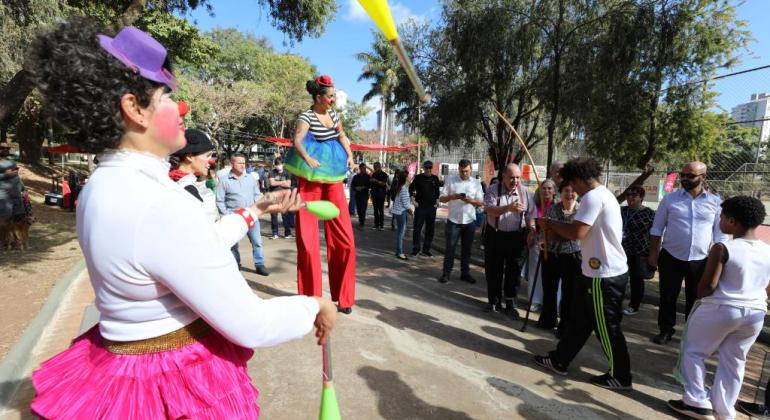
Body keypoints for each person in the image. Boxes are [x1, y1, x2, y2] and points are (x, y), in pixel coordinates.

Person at [27, 20, 337, 418]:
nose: (179, 108)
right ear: (134, 109)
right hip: (168, 384)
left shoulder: (103, 187)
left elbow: (189, 248)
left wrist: (255, 209)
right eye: (166, 95)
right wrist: (315, 307)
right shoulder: (156, 203)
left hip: (119, 368)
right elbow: (251, 323)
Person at [668, 196, 770, 420]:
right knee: (734, 360)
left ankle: (696, 401)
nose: (720, 221)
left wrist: (699, 291)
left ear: (732, 221)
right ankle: (725, 411)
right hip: (755, 313)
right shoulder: (767, 250)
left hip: (721, 308)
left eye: (722, 217)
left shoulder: (723, 247)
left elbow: (708, 287)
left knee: (694, 351)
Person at [534, 158, 632, 390]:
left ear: (577, 180)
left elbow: (576, 232)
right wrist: (550, 229)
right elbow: (578, 232)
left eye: (571, 184)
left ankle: (620, 375)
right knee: (578, 322)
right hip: (593, 272)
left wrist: (549, 223)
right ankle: (559, 359)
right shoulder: (602, 194)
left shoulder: (592, 198)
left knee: (607, 328)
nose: (571, 190)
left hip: (604, 276)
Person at [284, 75, 357, 314]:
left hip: (334, 173)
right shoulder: (306, 116)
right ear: (318, 97)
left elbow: (342, 135)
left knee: (345, 239)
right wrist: (306, 157)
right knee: (308, 241)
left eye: (334, 96)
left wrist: (350, 155)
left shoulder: (334, 115)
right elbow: (297, 140)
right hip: (311, 175)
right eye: (330, 96)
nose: (333, 100)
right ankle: (310, 298)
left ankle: (344, 297)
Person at [648, 161, 726, 345]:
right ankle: (666, 330)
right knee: (667, 296)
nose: (684, 179)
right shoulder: (670, 200)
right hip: (671, 256)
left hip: (700, 260)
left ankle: (692, 334)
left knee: (696, 298)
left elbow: (720, 235)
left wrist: (718, 261)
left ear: (703, 177)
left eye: (690, 176)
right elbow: (657, 228)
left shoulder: (715, 202)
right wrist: (653, 253)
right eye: (683, 175)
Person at [483, 163, 536, 319]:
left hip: (517, 237)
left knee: (514, 271)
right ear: (504, 176)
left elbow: (531, 215)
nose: (515, 181)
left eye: (518, 177)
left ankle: (511, 302)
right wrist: (508, 208)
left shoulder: (526, 193)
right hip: (495, 235)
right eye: (512, 177)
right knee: (494, 269)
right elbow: (489, 209)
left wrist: (532, 229)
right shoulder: (493, 190)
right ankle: (494, 300)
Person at [537, 182, 581, 336]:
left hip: (573, 256)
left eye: (572, 191)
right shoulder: (553, 209)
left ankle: (565, 326)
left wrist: (556, 230)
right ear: (560, 193)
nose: (570, 194)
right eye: (566, 191)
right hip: (552, 253)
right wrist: (543, 238)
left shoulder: (582, 211)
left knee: (569, 293)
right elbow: (545, 231)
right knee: (549, 289)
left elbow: (575, 235)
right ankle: (548, 320)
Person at [217, 153, 270, 276]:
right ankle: (236, 264)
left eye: (244, 163)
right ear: (232, 164)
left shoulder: (250, 178)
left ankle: (259, 264)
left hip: (251, 216)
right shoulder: (224, 181)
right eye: (240, 163)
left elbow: (257, 195)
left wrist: (260, 208)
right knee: (233, 245)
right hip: (233, 218)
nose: (243, 165)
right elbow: (220, 200)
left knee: (257, 242)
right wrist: (226, 215)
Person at [438, 159, 484, 284]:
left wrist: (470, 201)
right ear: (458, 169)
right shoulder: (451, 180)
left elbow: (481, 202)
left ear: (471, 170)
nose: (464, 173)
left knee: (467, 249)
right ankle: (446, 273)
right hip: (454, 220)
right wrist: (453, 196)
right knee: (450, 248)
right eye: (462, 171)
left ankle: (465, 273)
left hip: (469, 221)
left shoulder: (476, 183)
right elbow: (441, 198)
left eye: (467, 171)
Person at [168, 129, 219, 223]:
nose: (211, 161)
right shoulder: (187, 190)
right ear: (190, 157)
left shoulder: (169, 181)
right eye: (207, 155)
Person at [620, 185, 656, 315]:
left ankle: (634, 305)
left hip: (639, 251)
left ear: (641, 197)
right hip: (622, 250)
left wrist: (654, 252)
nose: (630, 198)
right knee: (619, 278)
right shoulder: (621, 210)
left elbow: (655, 234)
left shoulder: (649, 214)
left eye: (634, 195)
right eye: (628, 195)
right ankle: (616, 302)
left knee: (636, 279)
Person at [524, 179, 556, 313]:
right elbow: (531, 219)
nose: (546, 191)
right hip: (537, 241)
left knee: (552, 275)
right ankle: (535, 300)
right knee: (534, 273)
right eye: (544, 188)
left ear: (554, 191)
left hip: (554, 243)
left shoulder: (558, 206)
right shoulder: (535, 204)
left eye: (549, 188)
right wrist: (531, 230)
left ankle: (551, 303)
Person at [409, 160, 441, 257]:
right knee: (417, 229)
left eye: (430, 168)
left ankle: (426, 249)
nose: (428, 170)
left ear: (431, 168)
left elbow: (437, 192)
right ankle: (416, 249)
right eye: (426, 168)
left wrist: (437, 201)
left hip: (431, 208)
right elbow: (410, 189)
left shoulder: (435, 178)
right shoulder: (418, 178)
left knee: (430, 230)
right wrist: (413, 201)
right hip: (420, 208)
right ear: (423, 168)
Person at [268, 157, 297, 239]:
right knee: (274, 215)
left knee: (285, 215)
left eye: (279, 164)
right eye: (276, 164)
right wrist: (282, 182)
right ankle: (275, 233)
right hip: (274, 196)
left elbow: (288, 184)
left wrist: (277, 182)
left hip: (285, 197)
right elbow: (272, 183)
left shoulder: (287, 173)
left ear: (283, 164)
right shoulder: (272, 172)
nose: (278, 166)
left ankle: (287, 233)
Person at [391, 170, 411, 260]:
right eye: (409, 176)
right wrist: (411, 211)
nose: (411, 177)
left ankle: (398, 251)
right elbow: (406, 204)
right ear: (406, 178)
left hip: (399, 212)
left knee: (400, 232)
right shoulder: (403, 189)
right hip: (401, 212)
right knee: (401, 232)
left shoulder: (402, 187)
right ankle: (400, 252)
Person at [370, 161, 389, 230]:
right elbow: (371, 184)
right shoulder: (374, 174)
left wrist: (376, 181)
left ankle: (381, 225)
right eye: (374, 167)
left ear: (379, 167)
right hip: (374, 194)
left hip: (381, 194)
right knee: (375, 210)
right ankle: (376, 224)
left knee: (381, 210)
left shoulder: (384, 175)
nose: (374, 168)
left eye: (375, 167)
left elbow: (384, 183)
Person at [351, 163, 371, 229]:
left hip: (365, 195)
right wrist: (356, 188)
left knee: (363, 209)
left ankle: (362, 223)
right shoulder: (356, 177)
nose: (364, 169)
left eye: (365, 168)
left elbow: (370, 185)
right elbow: (352, 185)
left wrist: (363, 187)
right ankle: (360, 220)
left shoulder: (368, 177)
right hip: (358, 195)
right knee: (359, 209)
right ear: (360, 168)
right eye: (363, 168)